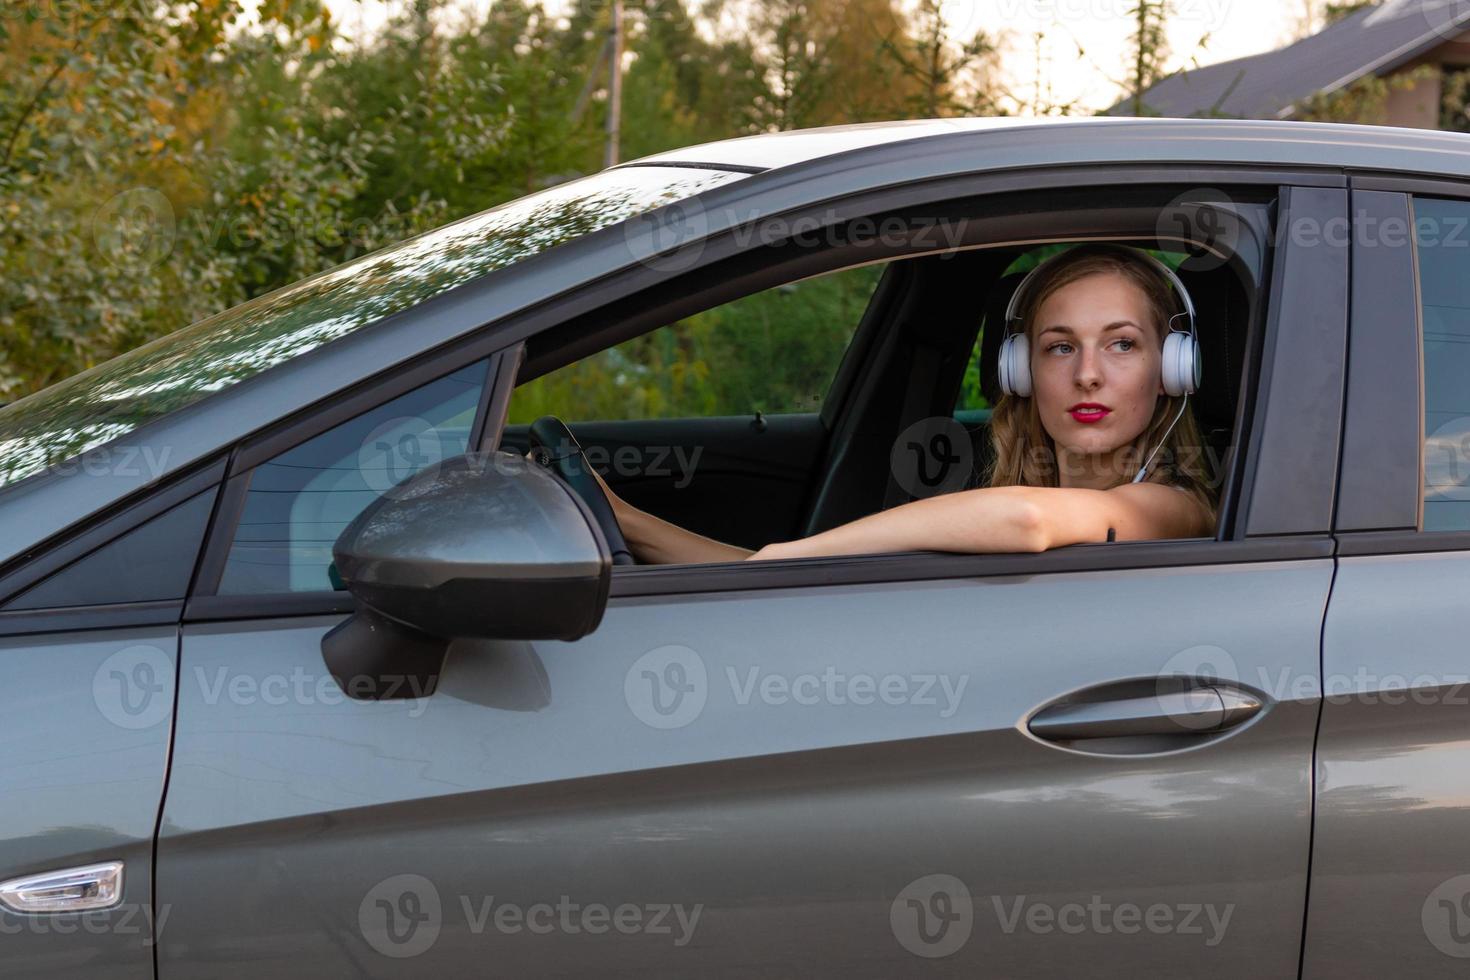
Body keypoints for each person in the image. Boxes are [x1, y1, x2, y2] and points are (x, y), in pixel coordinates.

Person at [585, 243, 1219, 564]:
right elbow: (757, 576)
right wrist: (621, 518)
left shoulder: (1174, 507)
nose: (1087, 375)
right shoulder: (996, 497)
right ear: (1019, 372)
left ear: (1171, 371)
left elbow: (1029, 521)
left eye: (1122, 345)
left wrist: (792, 557)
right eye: (1059, 348)